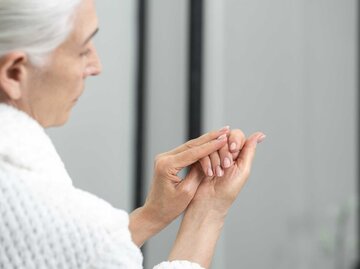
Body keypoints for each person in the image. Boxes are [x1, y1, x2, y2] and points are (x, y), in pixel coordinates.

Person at [0, 0, 266, 268]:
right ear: (13, 73)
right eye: (83, 50)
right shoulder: (59, 216)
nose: (96, 66)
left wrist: (151, 216)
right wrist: (209, 210)